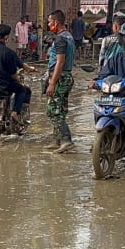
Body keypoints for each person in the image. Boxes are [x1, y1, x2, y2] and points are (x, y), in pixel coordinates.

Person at [44, 10, 77, 153]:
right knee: (61, 109)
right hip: (66, 76)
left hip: (60, 77)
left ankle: (66, 139)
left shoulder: (60, 39)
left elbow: (60, 62)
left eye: (49, 22)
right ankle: (56, 139)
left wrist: (52, 83)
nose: (48, 24)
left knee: (52, 111)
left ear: (56, 22)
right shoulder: (69, 37)